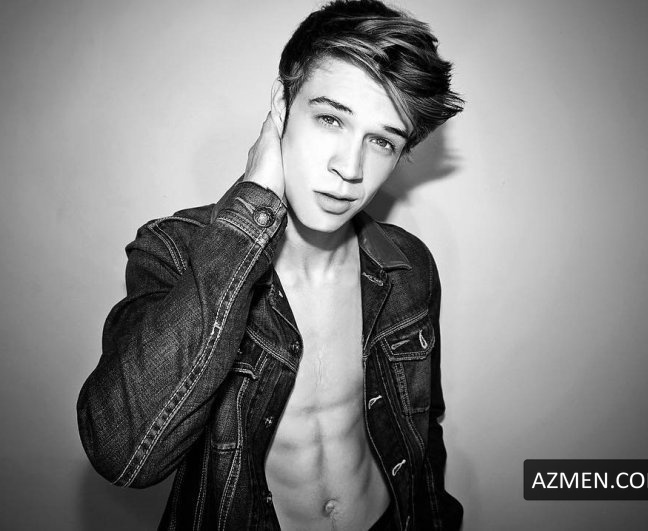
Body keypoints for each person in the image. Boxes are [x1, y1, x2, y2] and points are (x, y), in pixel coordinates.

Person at [77, 1, 464, 529]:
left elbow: (422, 426)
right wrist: (253, 206)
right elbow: (123, 453)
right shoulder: (176, 250)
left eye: (381, 141)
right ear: (282, 104)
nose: (349, 168)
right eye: (330, 118)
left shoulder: (408, 266)